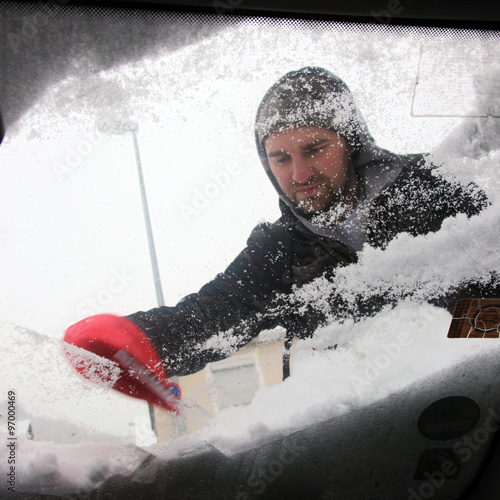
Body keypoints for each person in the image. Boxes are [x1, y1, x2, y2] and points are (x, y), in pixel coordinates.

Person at [65, 67, 492, 389]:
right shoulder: (280, 249)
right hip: (358, 428)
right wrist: (129, 342)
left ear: (351, 142)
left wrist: (425, 332)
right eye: (281, 158)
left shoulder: (431, 188)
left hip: (465, 398)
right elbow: (211, 315)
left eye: (314, 148)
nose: (300, 173)